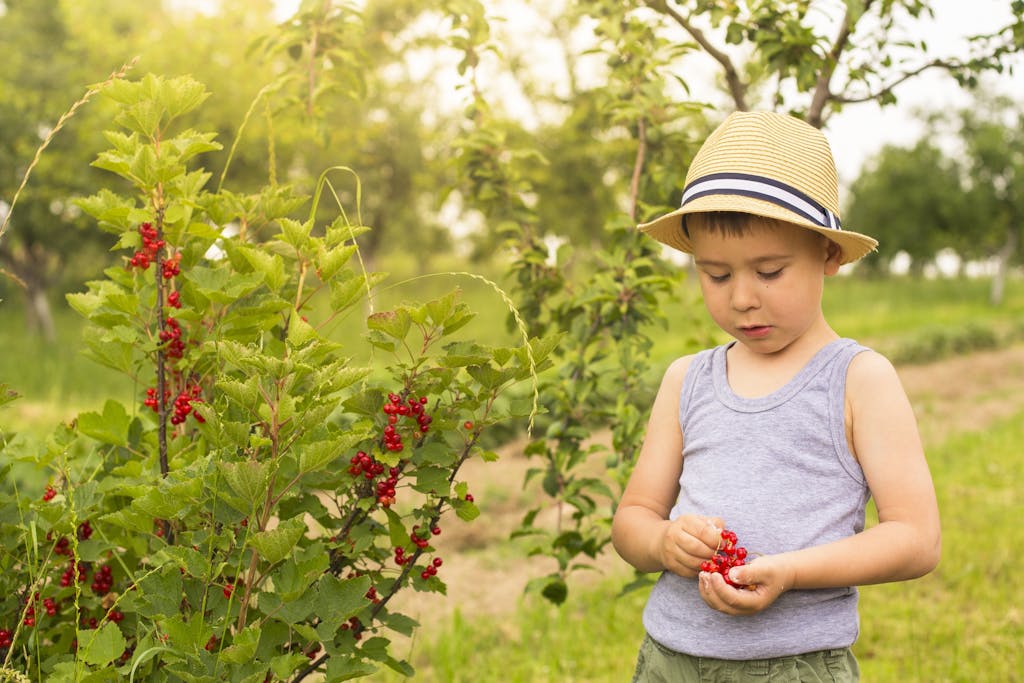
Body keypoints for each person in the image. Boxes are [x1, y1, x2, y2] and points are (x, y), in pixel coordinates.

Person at [612, 110, 941, 682]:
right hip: (670, 661)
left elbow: (916, 539)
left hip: (793, 667)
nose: (741, 298)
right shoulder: (686, 381)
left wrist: (790, 571)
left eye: (769, 271)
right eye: (715, 276)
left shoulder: (859, 380)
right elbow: (632, 520)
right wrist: (664, 542)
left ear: (828, 256)